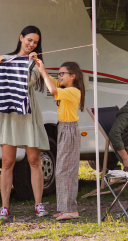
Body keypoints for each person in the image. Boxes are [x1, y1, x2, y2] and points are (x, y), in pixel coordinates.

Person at [0, 25, 50, 220]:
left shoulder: (35, 63)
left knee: (34, 161)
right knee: (7, 162)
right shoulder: (4, 58)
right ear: (21, 37)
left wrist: (29, 63)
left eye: (35, 42)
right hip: (10, 112)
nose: (32, 44)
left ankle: (38, 204)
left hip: (28, 113)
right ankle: (4, 207)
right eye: (29, 40)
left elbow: (28, 81)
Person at [37, 60, 85, 221]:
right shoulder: (66, 87)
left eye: (63, 73)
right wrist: (39, 66)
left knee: (67, 171)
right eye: (59, 73)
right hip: (63, 129)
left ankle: (71, 209)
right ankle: (65, 208)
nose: (60, 76)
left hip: (69, 129)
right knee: (62, 171)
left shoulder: (73, 91)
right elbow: (50, 80)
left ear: (73, 76)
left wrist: (43, 69)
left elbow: (51, 88)